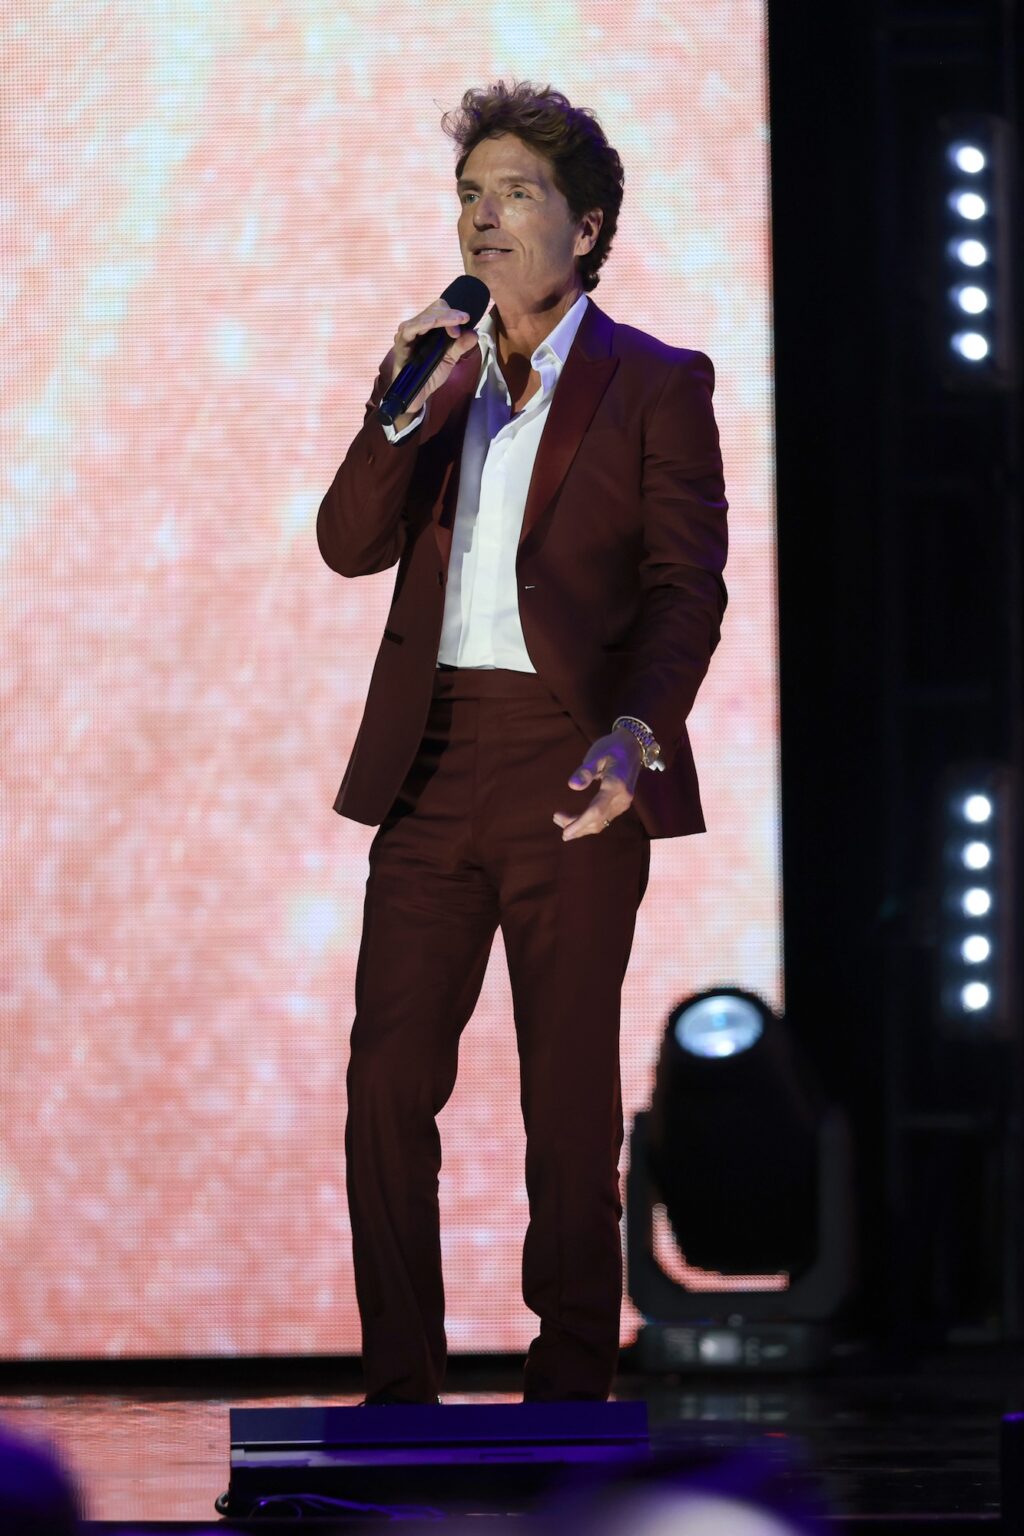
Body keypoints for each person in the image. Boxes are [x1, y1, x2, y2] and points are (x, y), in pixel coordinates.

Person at [317, 81, 728, 1404]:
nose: (484, 218)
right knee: (387, 1080)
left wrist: (633, 734)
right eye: (469, 195)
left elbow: (685, 590)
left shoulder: (656, 382)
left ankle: (570, 1385)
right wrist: (400, 408)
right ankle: (400, 1387)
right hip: (432, 764)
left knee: (567, 1096)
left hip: (572, 766)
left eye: (517, 194)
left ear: (589, 228)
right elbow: (348, 544)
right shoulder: (432, 371)